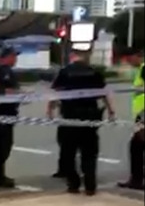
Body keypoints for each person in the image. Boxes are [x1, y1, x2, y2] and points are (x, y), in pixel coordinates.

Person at [48, 49, 115, 196]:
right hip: (90, 116)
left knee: (68, 152)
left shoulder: (65, 72)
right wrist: (111, 111)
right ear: (85, 57)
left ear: (72, 57)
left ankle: (74, 184)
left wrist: (50, 111)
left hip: (70, 116)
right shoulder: (94, 72)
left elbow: (55, 92)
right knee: (90, 153)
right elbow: (105, 92)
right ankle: (90, 186)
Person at [0, 46, 21, 188]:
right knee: (3, 145)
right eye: (14, 56)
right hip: (3, 112)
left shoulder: (7, 71)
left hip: (8, 112)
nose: (16, 59)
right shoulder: (3, 71)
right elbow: (6, 91)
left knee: (5, 145)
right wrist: (19, 94)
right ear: (7, 57)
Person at [118, 52, 144, 190]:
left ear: (137, 56)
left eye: (130, 59)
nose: (129, 62)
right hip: (141, 114)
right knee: (136, 146)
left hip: (143, 115)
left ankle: (137, 180)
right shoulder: (140, 69)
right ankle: (136, 179)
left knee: (137, 146)